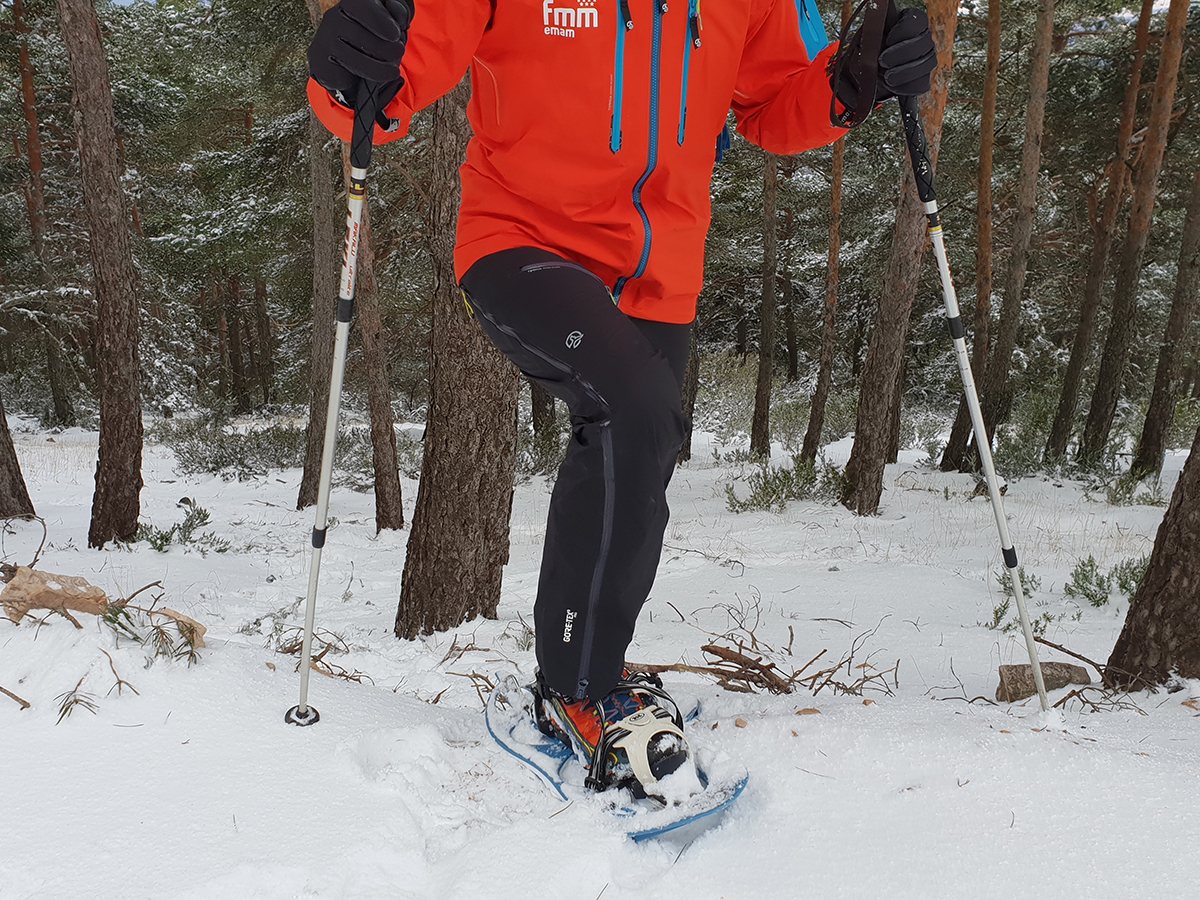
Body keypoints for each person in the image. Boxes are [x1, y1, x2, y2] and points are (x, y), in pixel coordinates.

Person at [308, 0, 935, 798]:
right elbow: (386, 85)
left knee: (639, 449)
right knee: (634, 409)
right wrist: (348, 66)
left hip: (658, 278)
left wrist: (853, 83)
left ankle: (585, 665)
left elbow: (773, 108)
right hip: (519, 243)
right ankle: (578, 688)